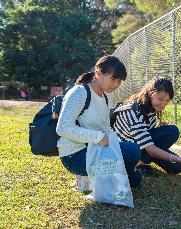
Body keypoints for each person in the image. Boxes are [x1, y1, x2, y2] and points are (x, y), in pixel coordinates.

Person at [56, 55, 142, 190]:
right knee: (132, 151)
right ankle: (86, 176)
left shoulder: (105, 97)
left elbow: (106, 130)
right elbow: (63, 128)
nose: (116, 85)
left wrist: (114, 144)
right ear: (98, 73)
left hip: (95, 150)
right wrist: (98, 137)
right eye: (113, 79)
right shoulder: (79, 92)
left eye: (119, 81)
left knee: (135, 179)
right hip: (75, 156)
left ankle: (95, 179)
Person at [111, 77, 181, 175]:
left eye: (167, 100)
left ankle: (141, 162)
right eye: (161, 99)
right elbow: (151, 149)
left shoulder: (150, 107)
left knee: (177, 167)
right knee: (172, 132)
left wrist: (157, 127)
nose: (163, 104)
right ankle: (138, 164)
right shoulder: (134, 112)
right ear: (150, 93)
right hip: (127, 152)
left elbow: (144, 134)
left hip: (141, 146)